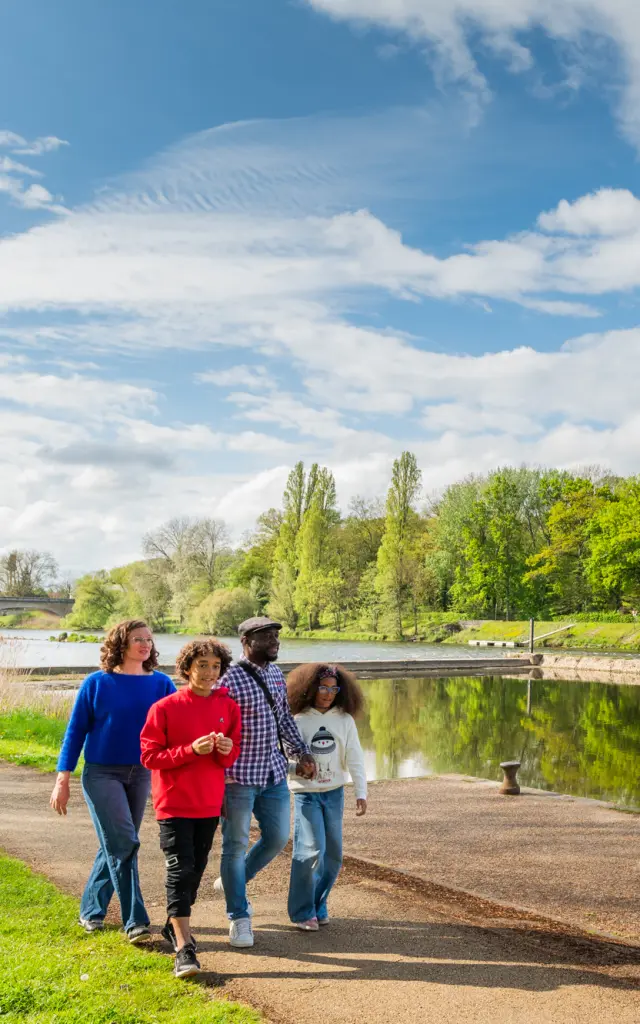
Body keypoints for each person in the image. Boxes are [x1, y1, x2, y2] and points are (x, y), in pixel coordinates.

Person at [49, 619, 175, 943]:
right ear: (121, 643)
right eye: (137, 639)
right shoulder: (97, 683)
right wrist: (63, 779)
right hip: (102, 774)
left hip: (141, 773)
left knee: (116, 844)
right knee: (124, 842)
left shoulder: (161, 684)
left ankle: (91, 910)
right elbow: (75, 732)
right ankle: (136, 921)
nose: (145, 644)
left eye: (149, 639)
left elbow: (179, 723)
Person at [140, 639, 241, 978]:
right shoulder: (164, 708)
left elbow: (230, 756)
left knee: (195, 871)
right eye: (202, 665)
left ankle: (173, 924)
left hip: (208, 803)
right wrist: (189, 751)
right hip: (173, 804)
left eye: (215, 666)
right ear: (187, 668)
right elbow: (149, 757)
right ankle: (185, 948)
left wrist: (225, 749)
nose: (210, 672)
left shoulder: (228, 707)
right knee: (180, 871)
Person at [216, 616, 316, 949]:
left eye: (276, 635)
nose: (275, 641)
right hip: (237, 778)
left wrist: (302, 752)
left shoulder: (275, 674)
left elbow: (284, 719)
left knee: (277, 838)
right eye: (267, 636)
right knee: (234, 847)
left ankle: (234, 880)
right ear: (246, 641)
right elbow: (215, 725)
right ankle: (239, 916)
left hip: (273, 773)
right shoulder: (228, 678)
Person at [286, 663, 367, 930]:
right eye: (322, 688)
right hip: (306, 794)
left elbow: (355, 757)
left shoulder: (344, 720)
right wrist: (297, 768)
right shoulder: (297, 720)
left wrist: (361, 791)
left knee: (333, 857)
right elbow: (281, 758)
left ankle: (318, 904)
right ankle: (302, 912)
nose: (328, 694)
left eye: (334, 689)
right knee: (311, 852)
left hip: (334, 794)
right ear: (309, 688)